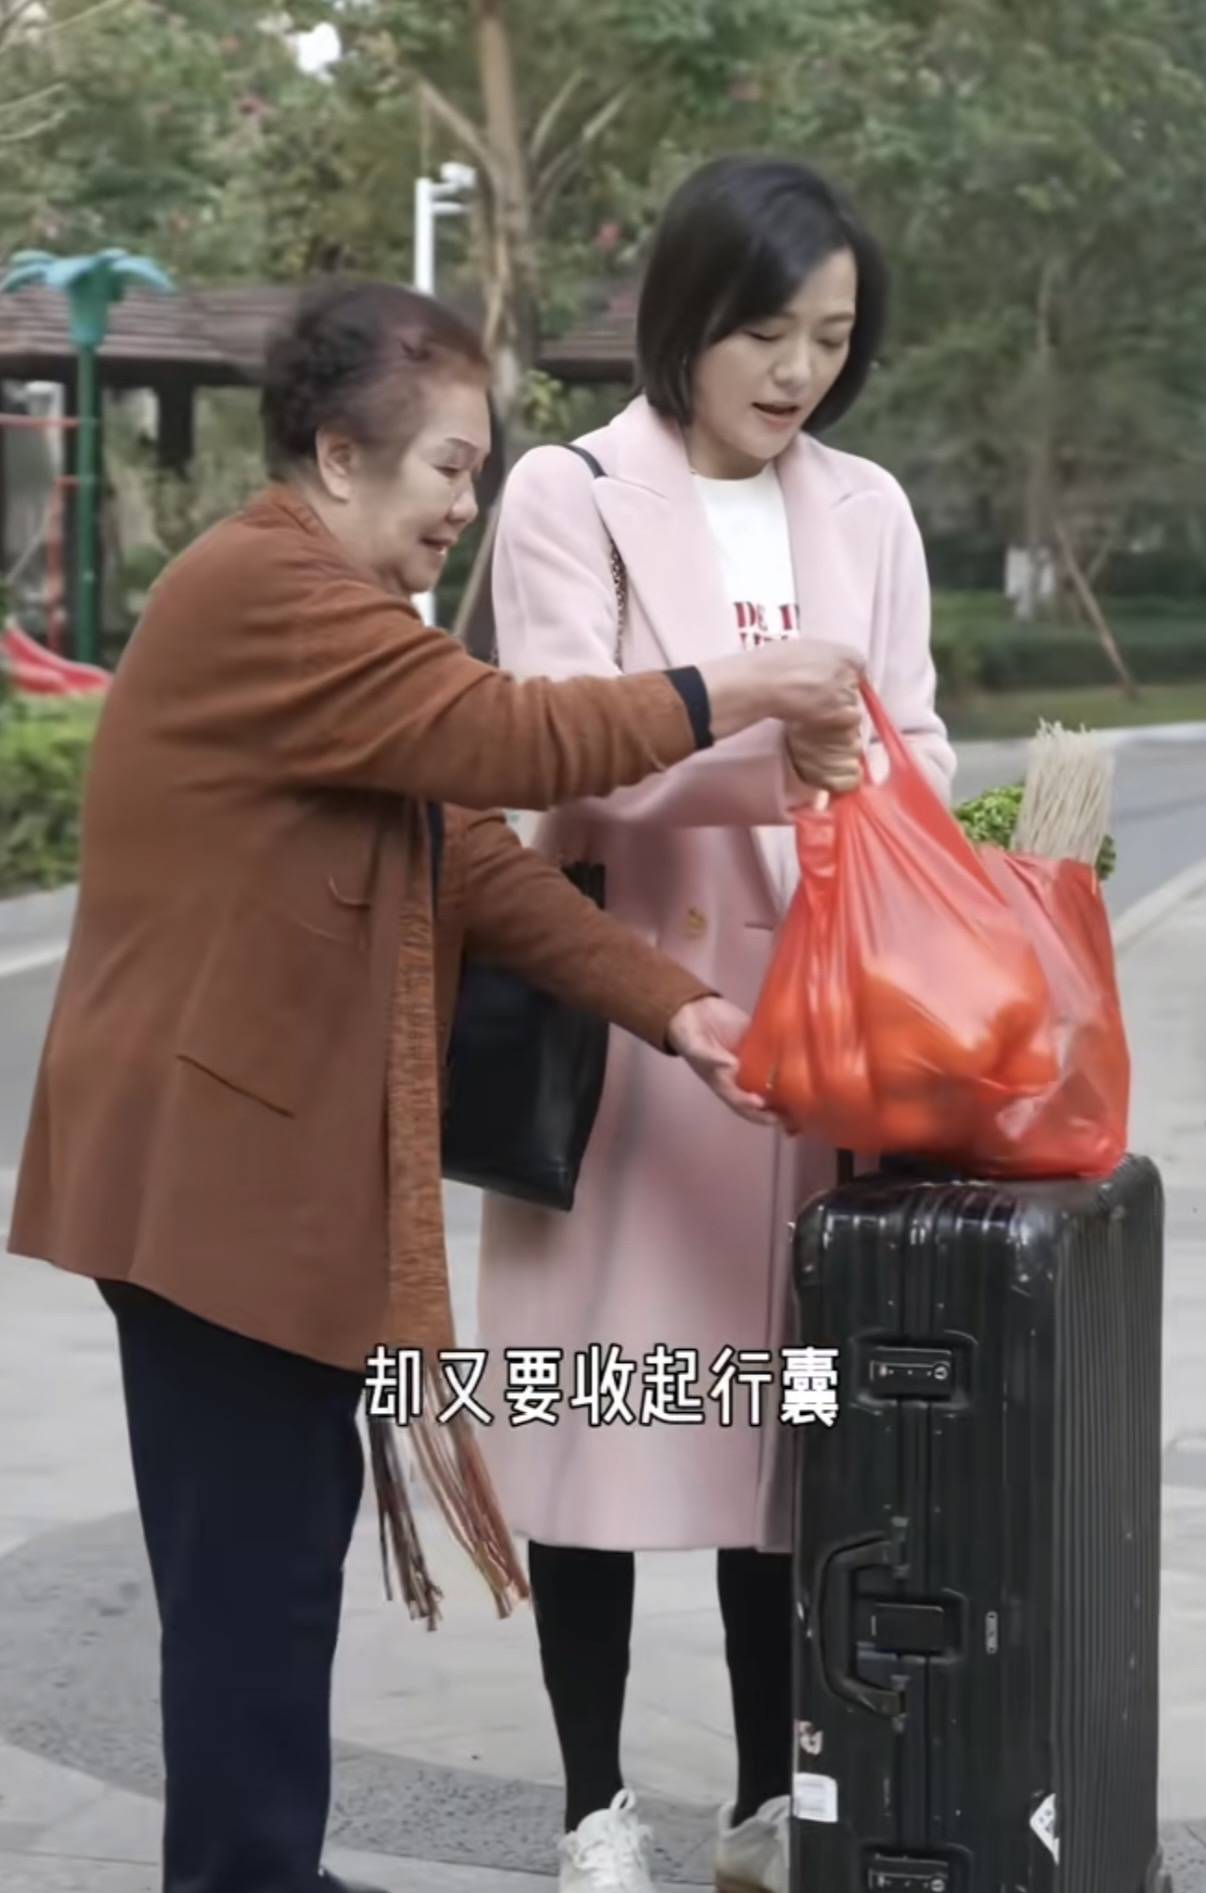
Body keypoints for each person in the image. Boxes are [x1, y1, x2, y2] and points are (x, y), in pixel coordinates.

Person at [5, 278, 868, 1893]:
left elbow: (475, 861)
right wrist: (742, 687)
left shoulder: (338, 619)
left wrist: (680, 1010)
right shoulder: (269, 595)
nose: (466, 503)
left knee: (272, 1569)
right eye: (451, 469)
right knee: (253, 1579)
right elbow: (510, 739)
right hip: (209, 1181)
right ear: (340, 456)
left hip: (253, 1180)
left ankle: (262, 1866)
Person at [476, 156, 958, 1893]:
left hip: (819, 1035)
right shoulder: (573, 491)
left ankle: (767, 1795)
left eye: (829, 335)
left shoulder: (868, 509)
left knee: (785, 1434)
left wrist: (880, 777)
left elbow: (916, 742)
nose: (797, 369)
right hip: (629, 1029)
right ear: (684, 316)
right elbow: (557, 754)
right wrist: (772, 743)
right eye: (764, 330)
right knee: (595, 1425)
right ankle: (592, 1807)